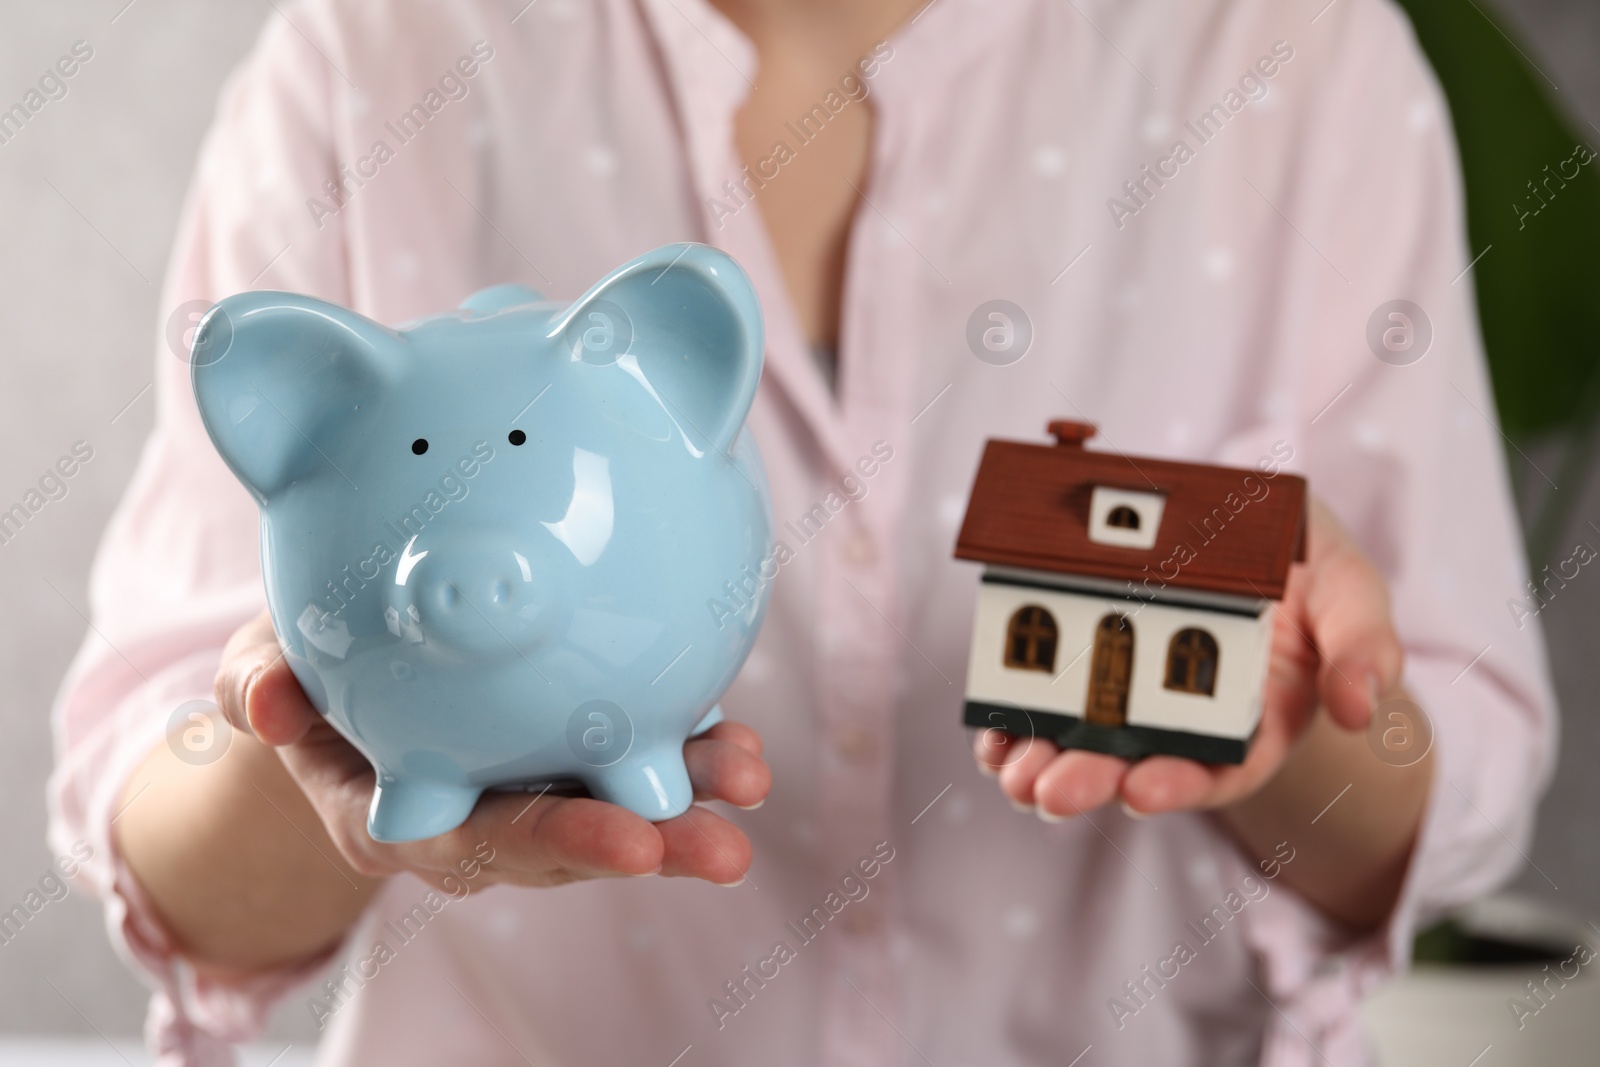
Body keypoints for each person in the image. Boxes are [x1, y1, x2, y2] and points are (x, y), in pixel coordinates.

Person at [49, 0, 1555, 1064]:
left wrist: (1294, 716)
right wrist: (322, 744)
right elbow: (165, 848)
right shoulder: (375, 61)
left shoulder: (1296, 58)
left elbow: (1460, 795)